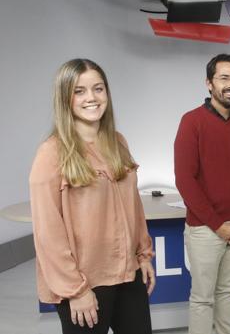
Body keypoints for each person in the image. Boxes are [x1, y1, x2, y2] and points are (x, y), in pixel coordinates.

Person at [29, 59, 155, 334]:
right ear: (65, 98)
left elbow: (133, 205)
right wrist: (75, 290)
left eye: (98, 89)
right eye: (79, 91)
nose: (91, 98)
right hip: (85, 282)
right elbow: (48, 233)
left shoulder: (118, 141)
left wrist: (143, 255)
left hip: (128, 274)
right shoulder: (51, 154)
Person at [174, 54, 230, 334]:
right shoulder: (192, 122)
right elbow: (185, 180)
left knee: (227, 293)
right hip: (205, 229)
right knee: (202, 299)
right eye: (224, 78)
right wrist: (217, 225)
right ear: (209, 83)